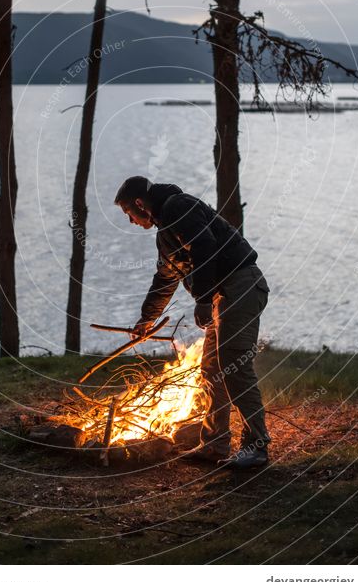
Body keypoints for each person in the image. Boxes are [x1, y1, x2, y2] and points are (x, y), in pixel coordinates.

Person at [114, 176, 271, 471]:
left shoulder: (179, 207)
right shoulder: (165, 233)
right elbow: (165, 279)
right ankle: (215, 443)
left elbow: (205, 246)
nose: (130, 221)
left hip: (241, 287)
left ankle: (257, 447)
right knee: (212, 369)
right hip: (222, 297)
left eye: (128, 214)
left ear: (139, 203)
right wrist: (146, 319)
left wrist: (202, 298)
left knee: (234, 366)